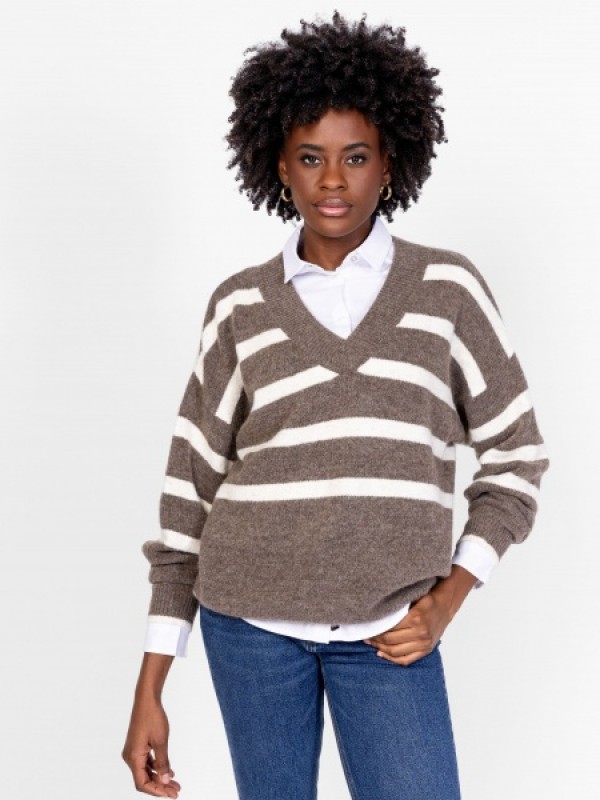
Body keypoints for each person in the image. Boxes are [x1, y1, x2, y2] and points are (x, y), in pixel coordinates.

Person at [122, 12, 550, 799]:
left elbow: (517, 460)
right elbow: (188, 493)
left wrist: (449, 599)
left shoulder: (447, 291)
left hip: (393, 631)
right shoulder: (240, 306)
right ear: (278, 166)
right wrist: (152, 682)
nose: (332, 180)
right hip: (249, 629)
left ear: (389, 164)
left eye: (355, 157)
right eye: (310, 158)